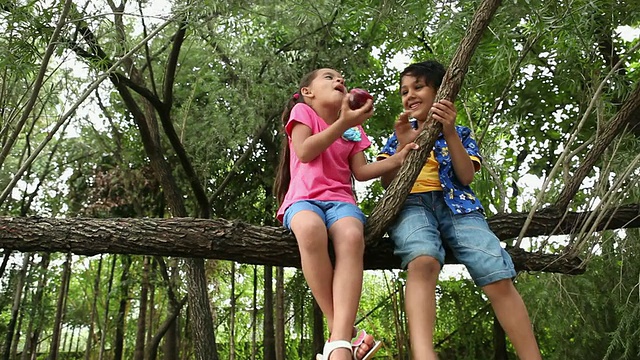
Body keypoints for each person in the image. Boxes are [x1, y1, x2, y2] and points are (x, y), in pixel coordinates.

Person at [377, 60, 542, 360]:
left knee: (494, 267)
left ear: (441, 92)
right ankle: (424, 354)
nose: (409, 95)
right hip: (413, 205)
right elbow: (388, 185)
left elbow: (466, 176)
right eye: (404, 91)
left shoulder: (461, 132)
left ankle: (531, 356)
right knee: (423, 258)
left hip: (459, 206)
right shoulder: (399, 133)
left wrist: (449, 131)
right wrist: (402, 148)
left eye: (418, 87)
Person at [273, 68, 418, 360]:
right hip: (303, 199)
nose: (339, 80)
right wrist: (341, 123)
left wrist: (397, 159)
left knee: (352, 236)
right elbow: (304, 151)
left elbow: (361, 172)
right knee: (310, 229)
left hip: (341, 201)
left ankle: (339, 339)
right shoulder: (303, 112)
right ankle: (342, 337)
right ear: (308, 92)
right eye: (329, 77)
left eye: (342, 78)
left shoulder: (353, 128)